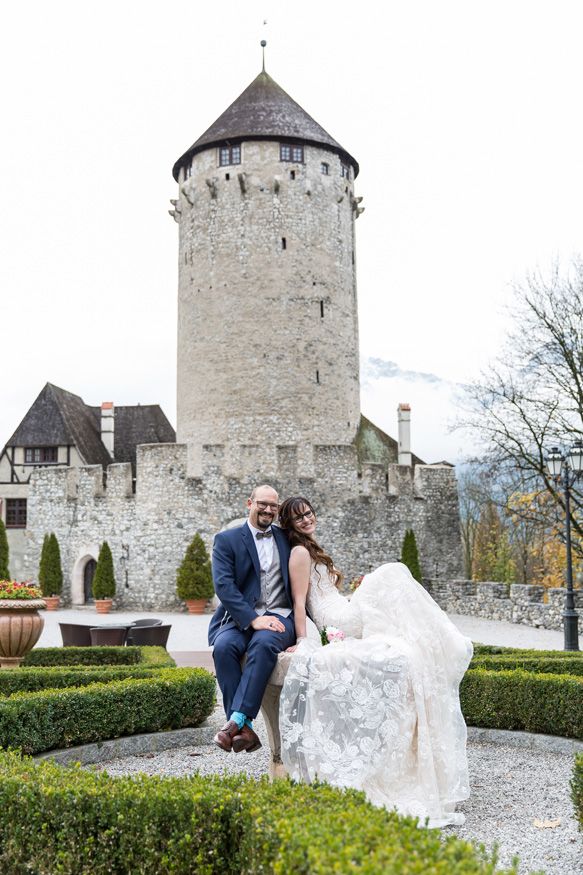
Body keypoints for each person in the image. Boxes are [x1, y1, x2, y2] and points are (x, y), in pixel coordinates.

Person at [277, 496, 473, 828]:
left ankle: (446, 642)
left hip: (345, 609)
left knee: (402, 634)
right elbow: (300, 602)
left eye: (309, 512)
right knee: (393, 572)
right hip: (336, 617)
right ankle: (451, 643)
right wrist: (301, 639)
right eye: (299, 518)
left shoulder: (312, 547)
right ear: (290, 525)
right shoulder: (299, 553)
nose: (307, 519)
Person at [209, 484, 295, 753]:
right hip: (239, 618)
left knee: (262, 644)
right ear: (250, 503)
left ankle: (234, 723)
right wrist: (252, 619)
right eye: (262, 503)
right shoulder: (226, 540)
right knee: (223, 648)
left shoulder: (288, 539)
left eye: (273, 505)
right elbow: (223, 586)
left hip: (280, 615)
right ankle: (245, 730)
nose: (268, 509)